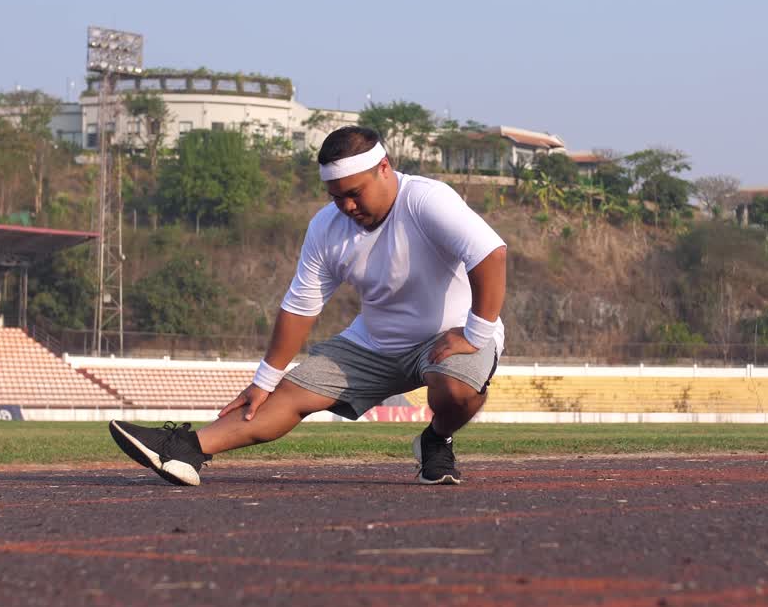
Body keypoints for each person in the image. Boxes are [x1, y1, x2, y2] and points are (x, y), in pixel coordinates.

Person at [109, 125, 507, 487]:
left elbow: (489, 254)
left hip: (451, 336)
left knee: (456, 390)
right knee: (285, 396)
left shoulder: (426, 200)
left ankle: (436, 440)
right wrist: (264, 380)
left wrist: (476, 332)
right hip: (375, 344)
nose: (348, 207)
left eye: (355, 193)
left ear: (384, 168)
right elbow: (301, 306)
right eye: (337, 198)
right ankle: (186, 448)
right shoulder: (325, 228)